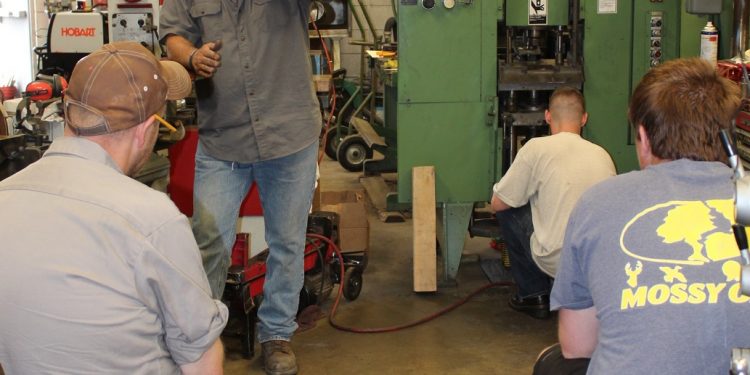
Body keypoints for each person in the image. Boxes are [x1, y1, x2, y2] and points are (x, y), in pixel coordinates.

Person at [0, 41, 228, 374]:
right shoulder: (153, 220)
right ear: (149, 129)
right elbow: (201, 361)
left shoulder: (6, 198)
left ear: (67, 111)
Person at [535, 57, 750, 374]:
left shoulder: (599, 202)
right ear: (726, 137)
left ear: (644, 137)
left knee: (554, 363)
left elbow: (576, 346)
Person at [159, 2, 321, 374]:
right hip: (223, 136)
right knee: (209, 241)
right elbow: (173, 36)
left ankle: (277, 335)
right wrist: (193, 55)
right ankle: (197, 335)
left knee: (287, 242)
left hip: (289, 133)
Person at [491, 86, 616, 319]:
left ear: (547, 116)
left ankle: (533, 294)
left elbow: (498, 203)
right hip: (598, 261)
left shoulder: (536, 148)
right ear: (584, 118)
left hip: (558, 260)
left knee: (508, 209)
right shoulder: (602, 154)